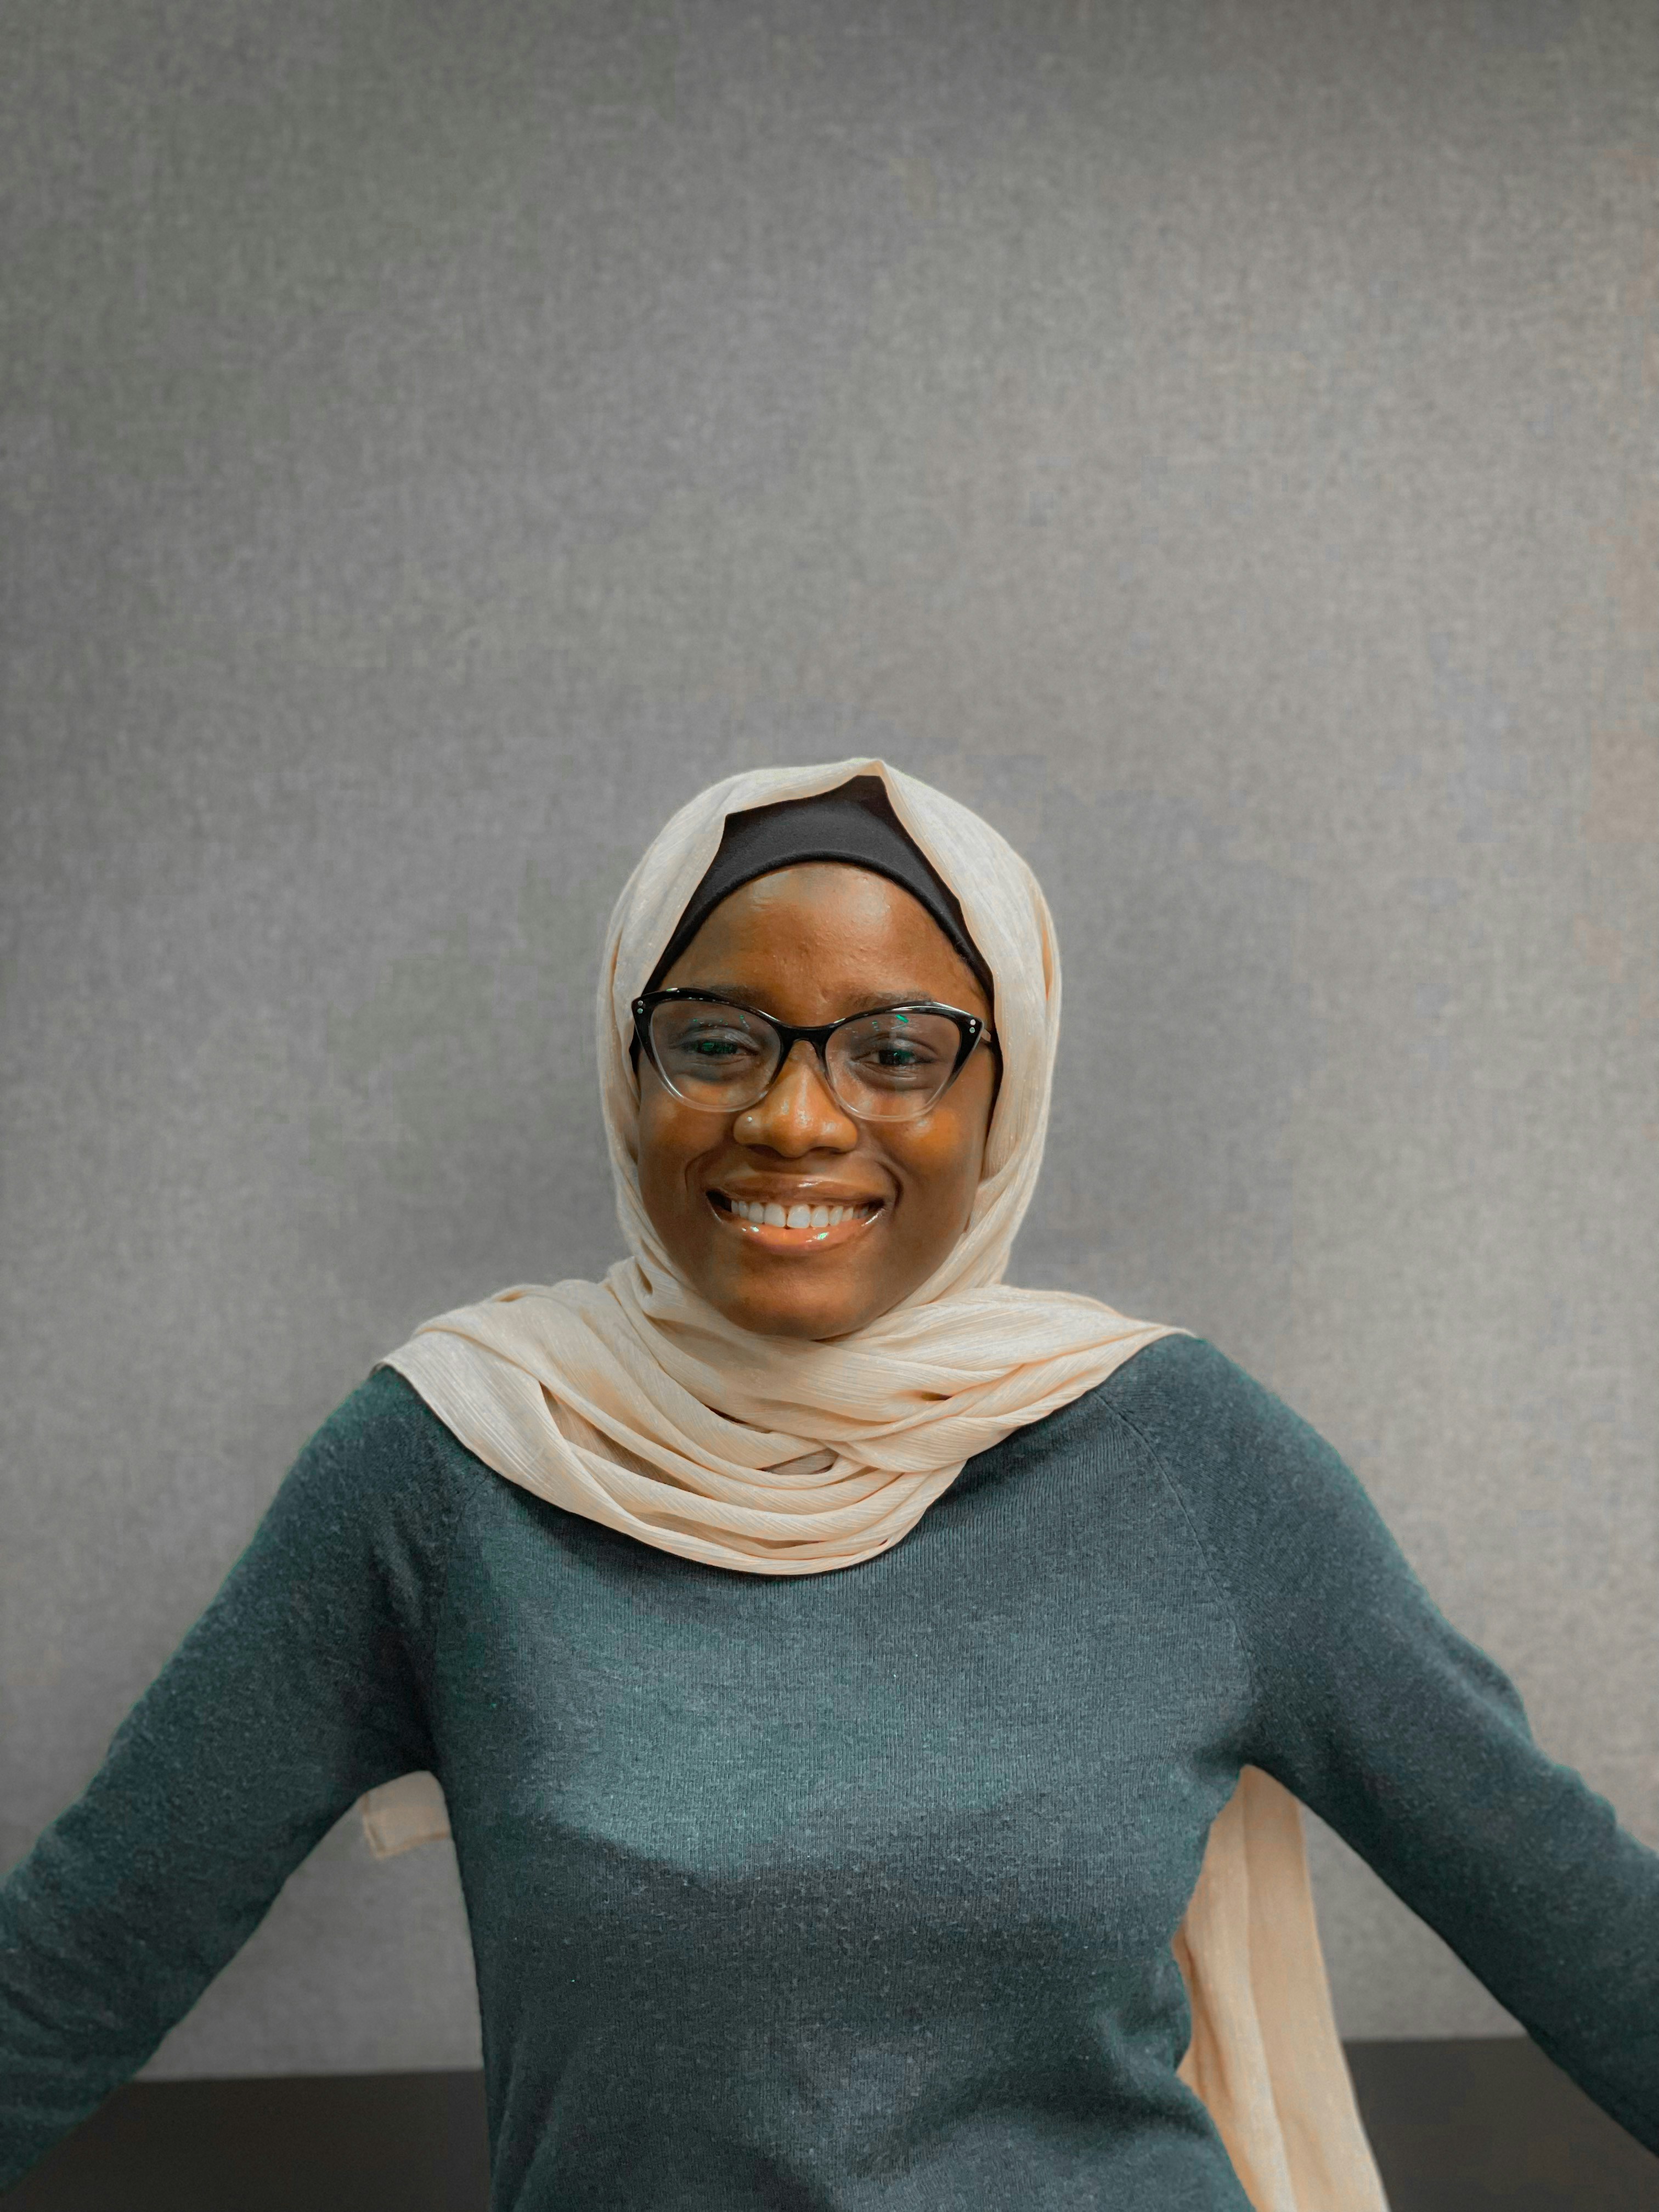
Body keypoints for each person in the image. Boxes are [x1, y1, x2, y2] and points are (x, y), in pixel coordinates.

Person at [1, 758, 1654, 2210]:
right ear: (628, 1067)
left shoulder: (1181, 1460)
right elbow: (81, 1956)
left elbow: (1574, 1918)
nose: (797, 1118)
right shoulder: (457, 1463)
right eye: (717, 1040)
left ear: (1002, 1091)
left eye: (898, 1050)